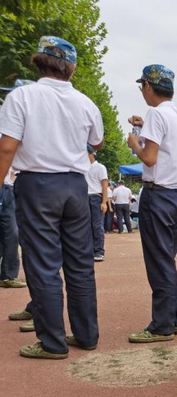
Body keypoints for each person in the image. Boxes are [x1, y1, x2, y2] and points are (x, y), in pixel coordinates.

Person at [0, 36, 104, 359]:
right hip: (75, 185)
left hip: (37, 184)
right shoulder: (86, 102)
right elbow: (97, 142)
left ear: (39, 62)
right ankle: (86, 334)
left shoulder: (21, 97)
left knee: (43, 264)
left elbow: (7, 147)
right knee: (80, 264)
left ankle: (52, 343)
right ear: (71, 69)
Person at [127, 64, 177, 343]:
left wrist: (134, 143)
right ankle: (173, 318)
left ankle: (162, 325)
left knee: (159, 262)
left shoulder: (156, 114)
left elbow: (149, 158)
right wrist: (145, 129)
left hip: (158, 195)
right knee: (166, 260)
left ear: (148, 87)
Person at [0, 80, 32, 289]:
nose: (9, 99)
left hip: (8, 188)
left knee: (12, 233)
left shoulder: (26, 124)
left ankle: (8, 275)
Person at [84, 144, 108, 261]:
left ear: (91, 154)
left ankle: (99, 251)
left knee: (97, 225)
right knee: (85, 226)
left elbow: (104, 185)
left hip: (96, 197)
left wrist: (104, 202)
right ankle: (89, 251)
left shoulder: (100, 167)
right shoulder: (82, 167)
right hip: (84, 197)